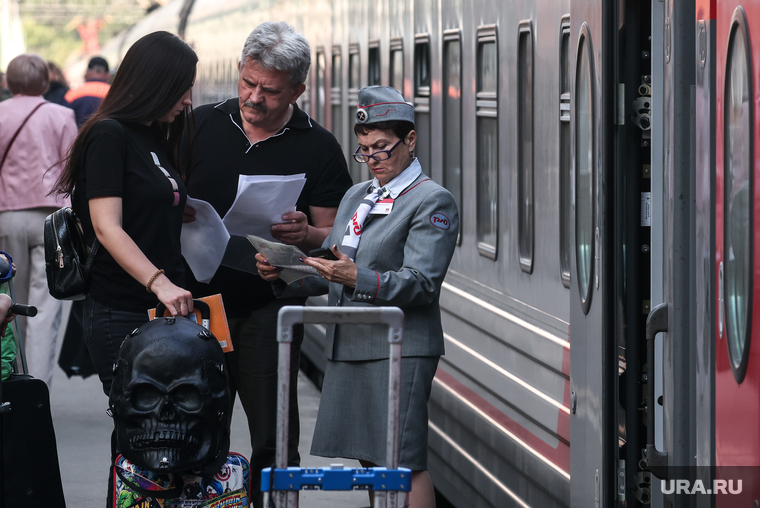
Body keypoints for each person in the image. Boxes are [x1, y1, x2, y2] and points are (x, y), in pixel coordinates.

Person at [256, 85, 459, 508]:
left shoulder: (431, 201)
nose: (373, 160)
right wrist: (288, 273)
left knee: (403, 463)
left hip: (398, 348)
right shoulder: (357, 196)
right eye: (364, 150)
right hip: (348, 344)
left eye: (382, 148)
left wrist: (357, 277)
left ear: (410, 141)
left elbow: (422, 283)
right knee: (371, 462)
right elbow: (332, 269)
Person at [183, 21, 352, 506]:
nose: (254, 98)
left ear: (298, 90)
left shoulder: (317, 147)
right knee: (190, 431)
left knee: (273, 440)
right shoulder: (199, 126)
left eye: (270, 91)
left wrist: (307, 234)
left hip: (265, 311)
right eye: (248, 83)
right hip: (193, 305)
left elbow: (334, 237)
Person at [53, 31, 196, 398]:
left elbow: (138, 204)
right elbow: (106, 226)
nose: (188, 99)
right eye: (182, 87)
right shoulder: (108, 135)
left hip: (159, 308)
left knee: (168, 432)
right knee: (139, 432)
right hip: (122, 309)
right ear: (155, 83)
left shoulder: (153, 135)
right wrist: (160, 282)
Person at [0, 53, 77, 388]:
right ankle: (37, 388)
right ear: (46, 81)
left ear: (8, 82)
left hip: (6, 217)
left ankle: (11, 379)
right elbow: (72, 171)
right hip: (50, 221)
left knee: (8, 301)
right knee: (44, 309)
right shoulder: (62, 115)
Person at [64, 55, 111, 126]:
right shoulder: (114, 92)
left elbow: (65, 121)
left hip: (79, 136)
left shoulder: (72, 94)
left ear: (87, 72)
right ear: (108, 75)